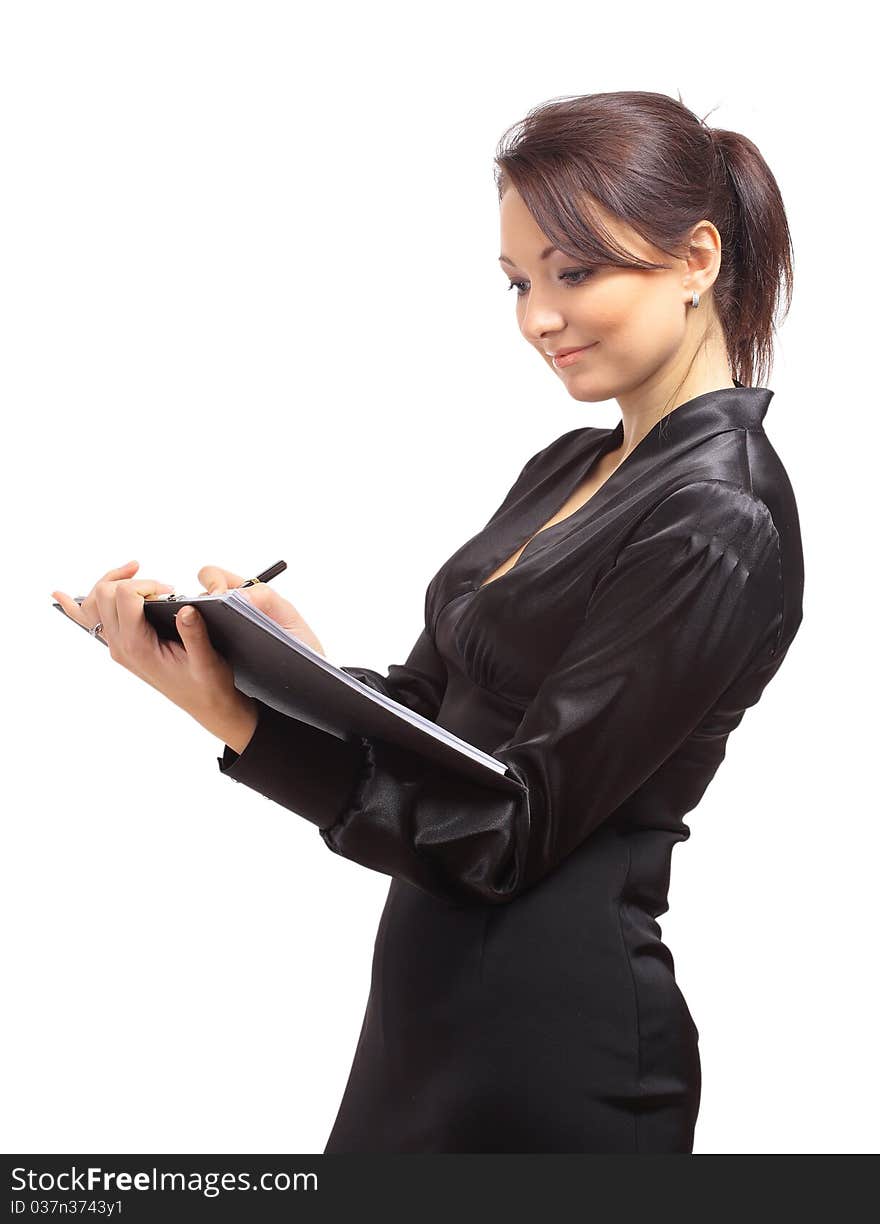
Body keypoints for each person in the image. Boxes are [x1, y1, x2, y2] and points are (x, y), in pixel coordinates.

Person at [51, 90, 804, 1153]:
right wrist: (287, 666)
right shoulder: (572, 467)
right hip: (427, 1017)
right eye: (517, 281)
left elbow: (507, 830)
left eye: (574, 272)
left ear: (694, 260)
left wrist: (242, 726)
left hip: (552, 1055)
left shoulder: (719, 519)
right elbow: (437, 718)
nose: (538, 317)